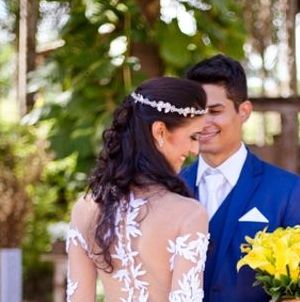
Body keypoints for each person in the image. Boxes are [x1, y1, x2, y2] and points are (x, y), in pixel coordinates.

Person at [180, 55, 300, 302]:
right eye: (196, 112)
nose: (203, 123)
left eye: (215, 111)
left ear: (243, 111)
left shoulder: (288, 191)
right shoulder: (170, 187)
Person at [66, 77, 210, 302]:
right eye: (193, 137)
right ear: (160, 131)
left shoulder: (84, 209)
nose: (195, 149)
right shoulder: (189, 215)